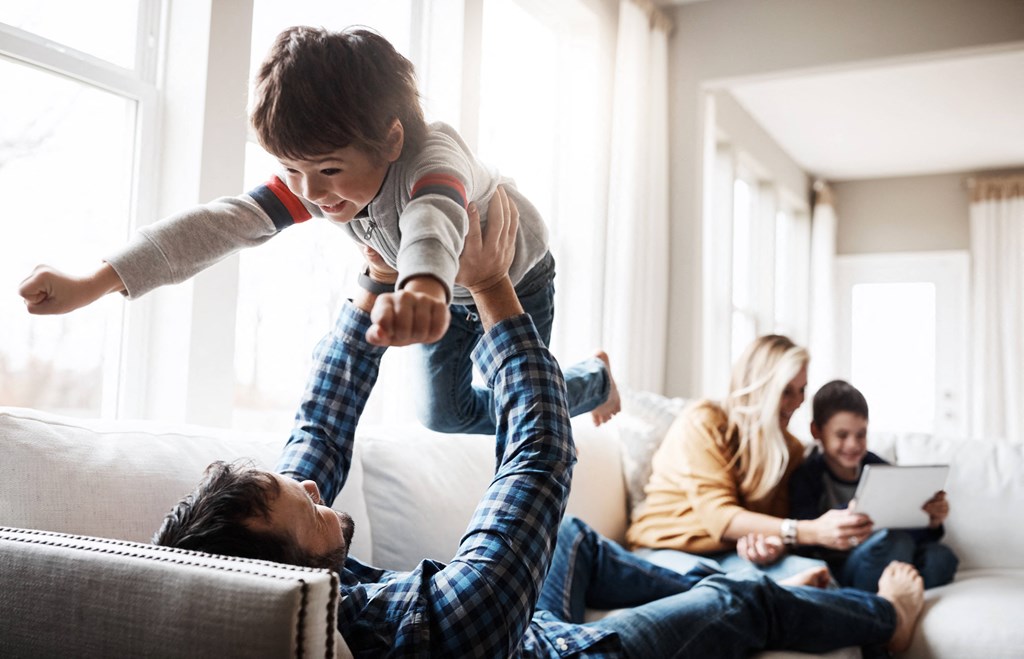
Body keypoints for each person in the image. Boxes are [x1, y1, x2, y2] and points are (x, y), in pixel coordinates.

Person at [155, 198, 924, 658]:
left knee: (575, 540)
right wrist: (492, 288)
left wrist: (371, 284)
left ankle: (766, 580)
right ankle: (886, 618)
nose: (316, 485)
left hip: (529, 619)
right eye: (306, 506)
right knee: (736, 607)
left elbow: (319, 425)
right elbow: (538, 457)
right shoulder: (435, 625)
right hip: (559, 652)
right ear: (298, 570)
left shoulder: (294, 582)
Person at [17, 25, 619, 434]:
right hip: (424, 290)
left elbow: (433, 219)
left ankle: (592, 382)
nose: (309, 192)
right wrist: (94, 281)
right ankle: (591, 379)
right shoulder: (324, 182)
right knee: (443, 416)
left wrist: (426, 289)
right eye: (291, 170)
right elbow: (222, 223)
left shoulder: (433, 157)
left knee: (523, 413)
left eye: (327, 170)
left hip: (509, 274)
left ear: (391, 138)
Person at [626, 334, 875, 582]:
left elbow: (778, 521)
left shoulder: (791, 449)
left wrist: (774, 544)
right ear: (759, 387)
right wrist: (811, 531)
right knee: (727, 588)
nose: (798, 402)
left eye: (802, 390)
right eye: (786, 391)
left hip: (733, 555)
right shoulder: (705, 422)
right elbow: (720, 517)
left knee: (819, 576)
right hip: (667, 549)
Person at [789, 379, 959, 591]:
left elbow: (911, 532)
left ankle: (892, 585)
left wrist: (930, 521)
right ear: (817, 432)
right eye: (842, 435)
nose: (853, 444)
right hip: (844, 564)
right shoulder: (807, 475)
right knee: (894, 542)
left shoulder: (880, 469)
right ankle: (881, 592)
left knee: (940, 558)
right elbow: (807, 540)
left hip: (891, 551)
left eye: (861, 434)